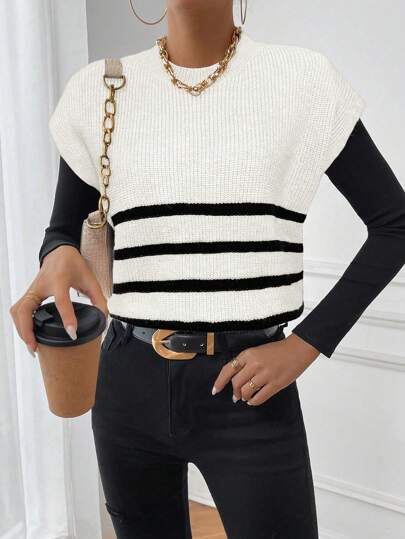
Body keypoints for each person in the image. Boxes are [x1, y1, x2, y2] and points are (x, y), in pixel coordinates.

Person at [9, 1, 405, 538]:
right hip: (127, 382)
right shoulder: (100, 89)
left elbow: (394, 224)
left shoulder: (302, 81)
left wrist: (304, 345)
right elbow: (62, 231)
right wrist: (56, 254)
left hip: (249, 391)